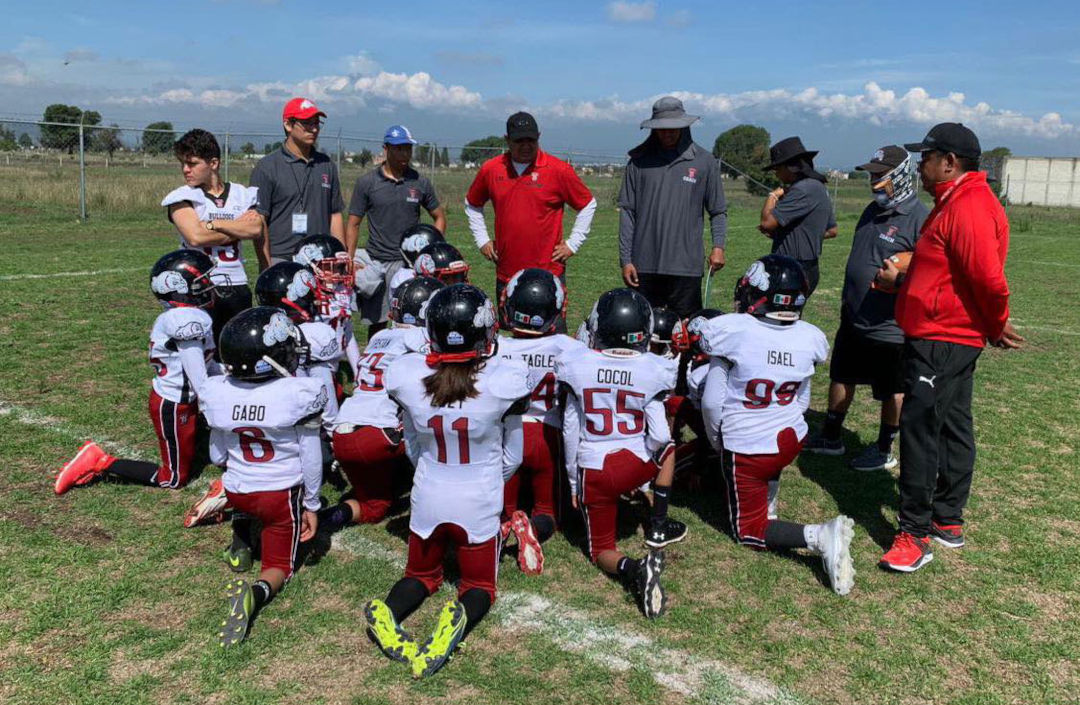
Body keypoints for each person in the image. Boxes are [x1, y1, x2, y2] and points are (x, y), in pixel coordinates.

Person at [363, 284, 530, 679]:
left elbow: (412, 448)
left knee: (420, 576)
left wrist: (431, 471)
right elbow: (514, 457)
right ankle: (456, 619)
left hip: (429, 492)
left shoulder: (406, 376)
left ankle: (388, 611)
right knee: (478, 586)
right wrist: (489, 479)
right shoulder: (503, 380)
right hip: (477, 497)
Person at [876, 123, 1022, 572]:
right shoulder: (956, 201)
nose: (919, 165)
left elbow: (988, 280)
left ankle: (914, 534)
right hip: (944, 334)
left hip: (943, 338)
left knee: (920, 430)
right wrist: (903, 281)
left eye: (926, 157)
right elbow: (949, 271)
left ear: (949, 162)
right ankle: (948, 519)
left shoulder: (969, 205)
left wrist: (994, 324)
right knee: (954, 423)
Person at [699, 255, 855, 596]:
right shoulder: (809, 337)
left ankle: (817, 536)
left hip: (750, 445)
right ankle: (767, 500)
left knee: (748, 530)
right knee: (770, 456)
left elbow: (712, 401)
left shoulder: (731, 330)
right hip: (789, 438)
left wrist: (717, 440)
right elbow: (801, 399)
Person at [200, 306, 328, 646]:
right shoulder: (299, 393)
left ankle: (240, 546)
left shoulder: (217, 391)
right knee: (279, 568)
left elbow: (216, 456)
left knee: (246, 497)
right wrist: (312, 504)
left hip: (238, 490)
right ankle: (255, 594)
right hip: (278, 494)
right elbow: (311, 456)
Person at [558, 288, 684, 619]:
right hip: (634, 466)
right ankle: (658, 522)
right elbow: (659, 435)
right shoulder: (653, 368)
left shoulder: (575, 363)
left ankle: (633, 568)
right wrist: (640, 463)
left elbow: (571, 430)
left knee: (601, 550)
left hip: (593, 469)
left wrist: (573, 483)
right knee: (668, 450)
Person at [804, 146, 930, 471]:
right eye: (871, 175)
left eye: (880, 175)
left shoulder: (920, 219)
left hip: (891, 328)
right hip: (855, 317)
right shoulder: (871, 210)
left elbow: (929, 274)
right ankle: (831, 436)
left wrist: (900, 277)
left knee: (893, 390)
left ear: (900, 176)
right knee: (841, 375)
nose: (874, 182)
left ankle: (884, 448)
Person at [54, 250, 218, 495]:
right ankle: (100, 461)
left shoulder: (192, 316)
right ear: (179, 287)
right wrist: (217, 404)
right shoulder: (184, 319)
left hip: (184, 400)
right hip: (175, 404)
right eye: (201, 281)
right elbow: (198, 377)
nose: (209, 285)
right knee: (173, 479)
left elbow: (207, 364)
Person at [319, 276, 445, 531]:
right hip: (379, 435)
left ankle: (325, 518)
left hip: (343, 434)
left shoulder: (382, 337)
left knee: (373, 504)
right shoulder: (421, 340)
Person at [464, 111, 596, 330]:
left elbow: (587, 204)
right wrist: (482, 240)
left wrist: (573, 244)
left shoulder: (558, 169)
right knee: (513, 339)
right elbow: (472, 203)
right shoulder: (491, 169)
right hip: (508, 272)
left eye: (531, 140)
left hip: (549, 273)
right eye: (519, 141)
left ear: (539, 137)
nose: (526, 146)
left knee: (553, 337)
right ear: (507, 140)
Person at [496, 268, 585, 575]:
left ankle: (505, 529)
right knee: (548, 512)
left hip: (508, 436)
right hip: (548, 436)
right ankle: (532, 527)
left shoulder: (497, 346)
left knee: (502, 509)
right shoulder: (568, 348)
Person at [618, 96, 728, 318]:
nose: (667, 133)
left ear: (684, 126)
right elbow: (628, 213)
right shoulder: (638, 161)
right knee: (642, 328)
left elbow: (718, 211)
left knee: (685, 332)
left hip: (685, 267)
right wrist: (626, 260)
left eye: (673, 128)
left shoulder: (704, 161)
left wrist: (719, 246)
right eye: (662, 128)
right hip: (643, 266)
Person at [161, 129, 266, 342]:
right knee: (200, 352)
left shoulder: (242, 194)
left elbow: (255, 230)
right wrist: (237, 230)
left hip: (236, 284)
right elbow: (196, 237)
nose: (185, 169)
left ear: (214, 164)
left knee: (235, 351)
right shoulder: (182, 196)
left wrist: (213, 224)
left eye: (192, 163)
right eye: (183, 163)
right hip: (197, 287)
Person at [347, 125, 446, 337]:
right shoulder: (367, 183)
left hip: (409, 265)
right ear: (386, 149)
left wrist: (432, 249)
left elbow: (439, 217)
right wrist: (349, 258)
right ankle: (375, 362)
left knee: (412, 318)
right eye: (399, 148)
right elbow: (353, 223)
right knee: (378, 323)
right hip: (377, 262)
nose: (404, 154)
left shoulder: (420, 182)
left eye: (408, 149)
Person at [250, 98, 345, 264]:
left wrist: (340, 257)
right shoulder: (266, 167)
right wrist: (267, 265)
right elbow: (259, 220)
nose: (314, 129)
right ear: (288, 125)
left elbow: (335, 214)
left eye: (317, 123)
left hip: (322, 257)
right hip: (282, 257)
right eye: (307, 123)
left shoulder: (327, 165)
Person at [758, 137, 837, 296]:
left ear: (790, 167)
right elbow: (832, 230)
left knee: (781, 316)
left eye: (777, 168)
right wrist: (792, 236)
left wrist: (773, 195)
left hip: (793, 267)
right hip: (807, 266)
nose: (776, 173)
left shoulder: (803, 189)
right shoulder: (817, 186)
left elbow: (767, 222)